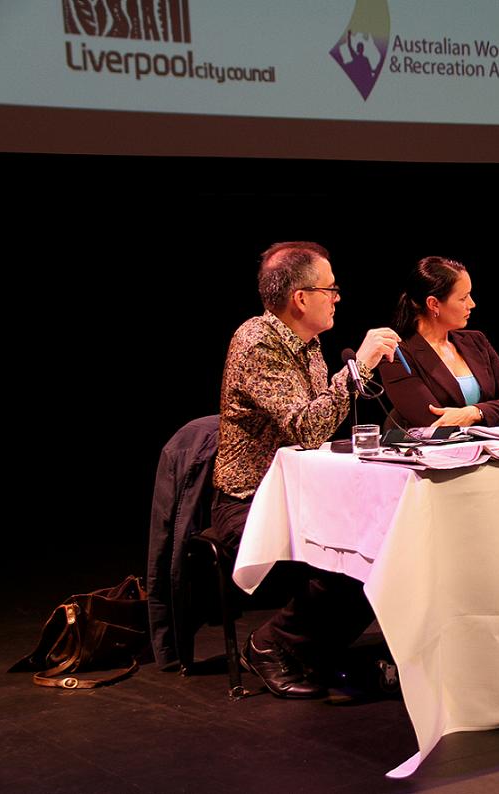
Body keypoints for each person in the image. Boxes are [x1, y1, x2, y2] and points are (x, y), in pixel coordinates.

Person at [212, 241, 400, 698]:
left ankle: (308, 651)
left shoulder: (309, 344)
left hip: (300, 493)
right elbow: (308, 426)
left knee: (383, 545)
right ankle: (268, 645)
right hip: (250, 502)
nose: (337, 297)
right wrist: (358, 366)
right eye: (330, 288)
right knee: (349, 559)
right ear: (301, 298)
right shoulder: (257, 342)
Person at [379, 256, 499, 428]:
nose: (472, 304)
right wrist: (489, 413)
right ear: (434, 303)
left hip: (488, 448)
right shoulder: (397, 354)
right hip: (430, 453)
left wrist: (474, 412)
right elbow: (435, 422)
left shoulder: (476, 341)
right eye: (463, 298)